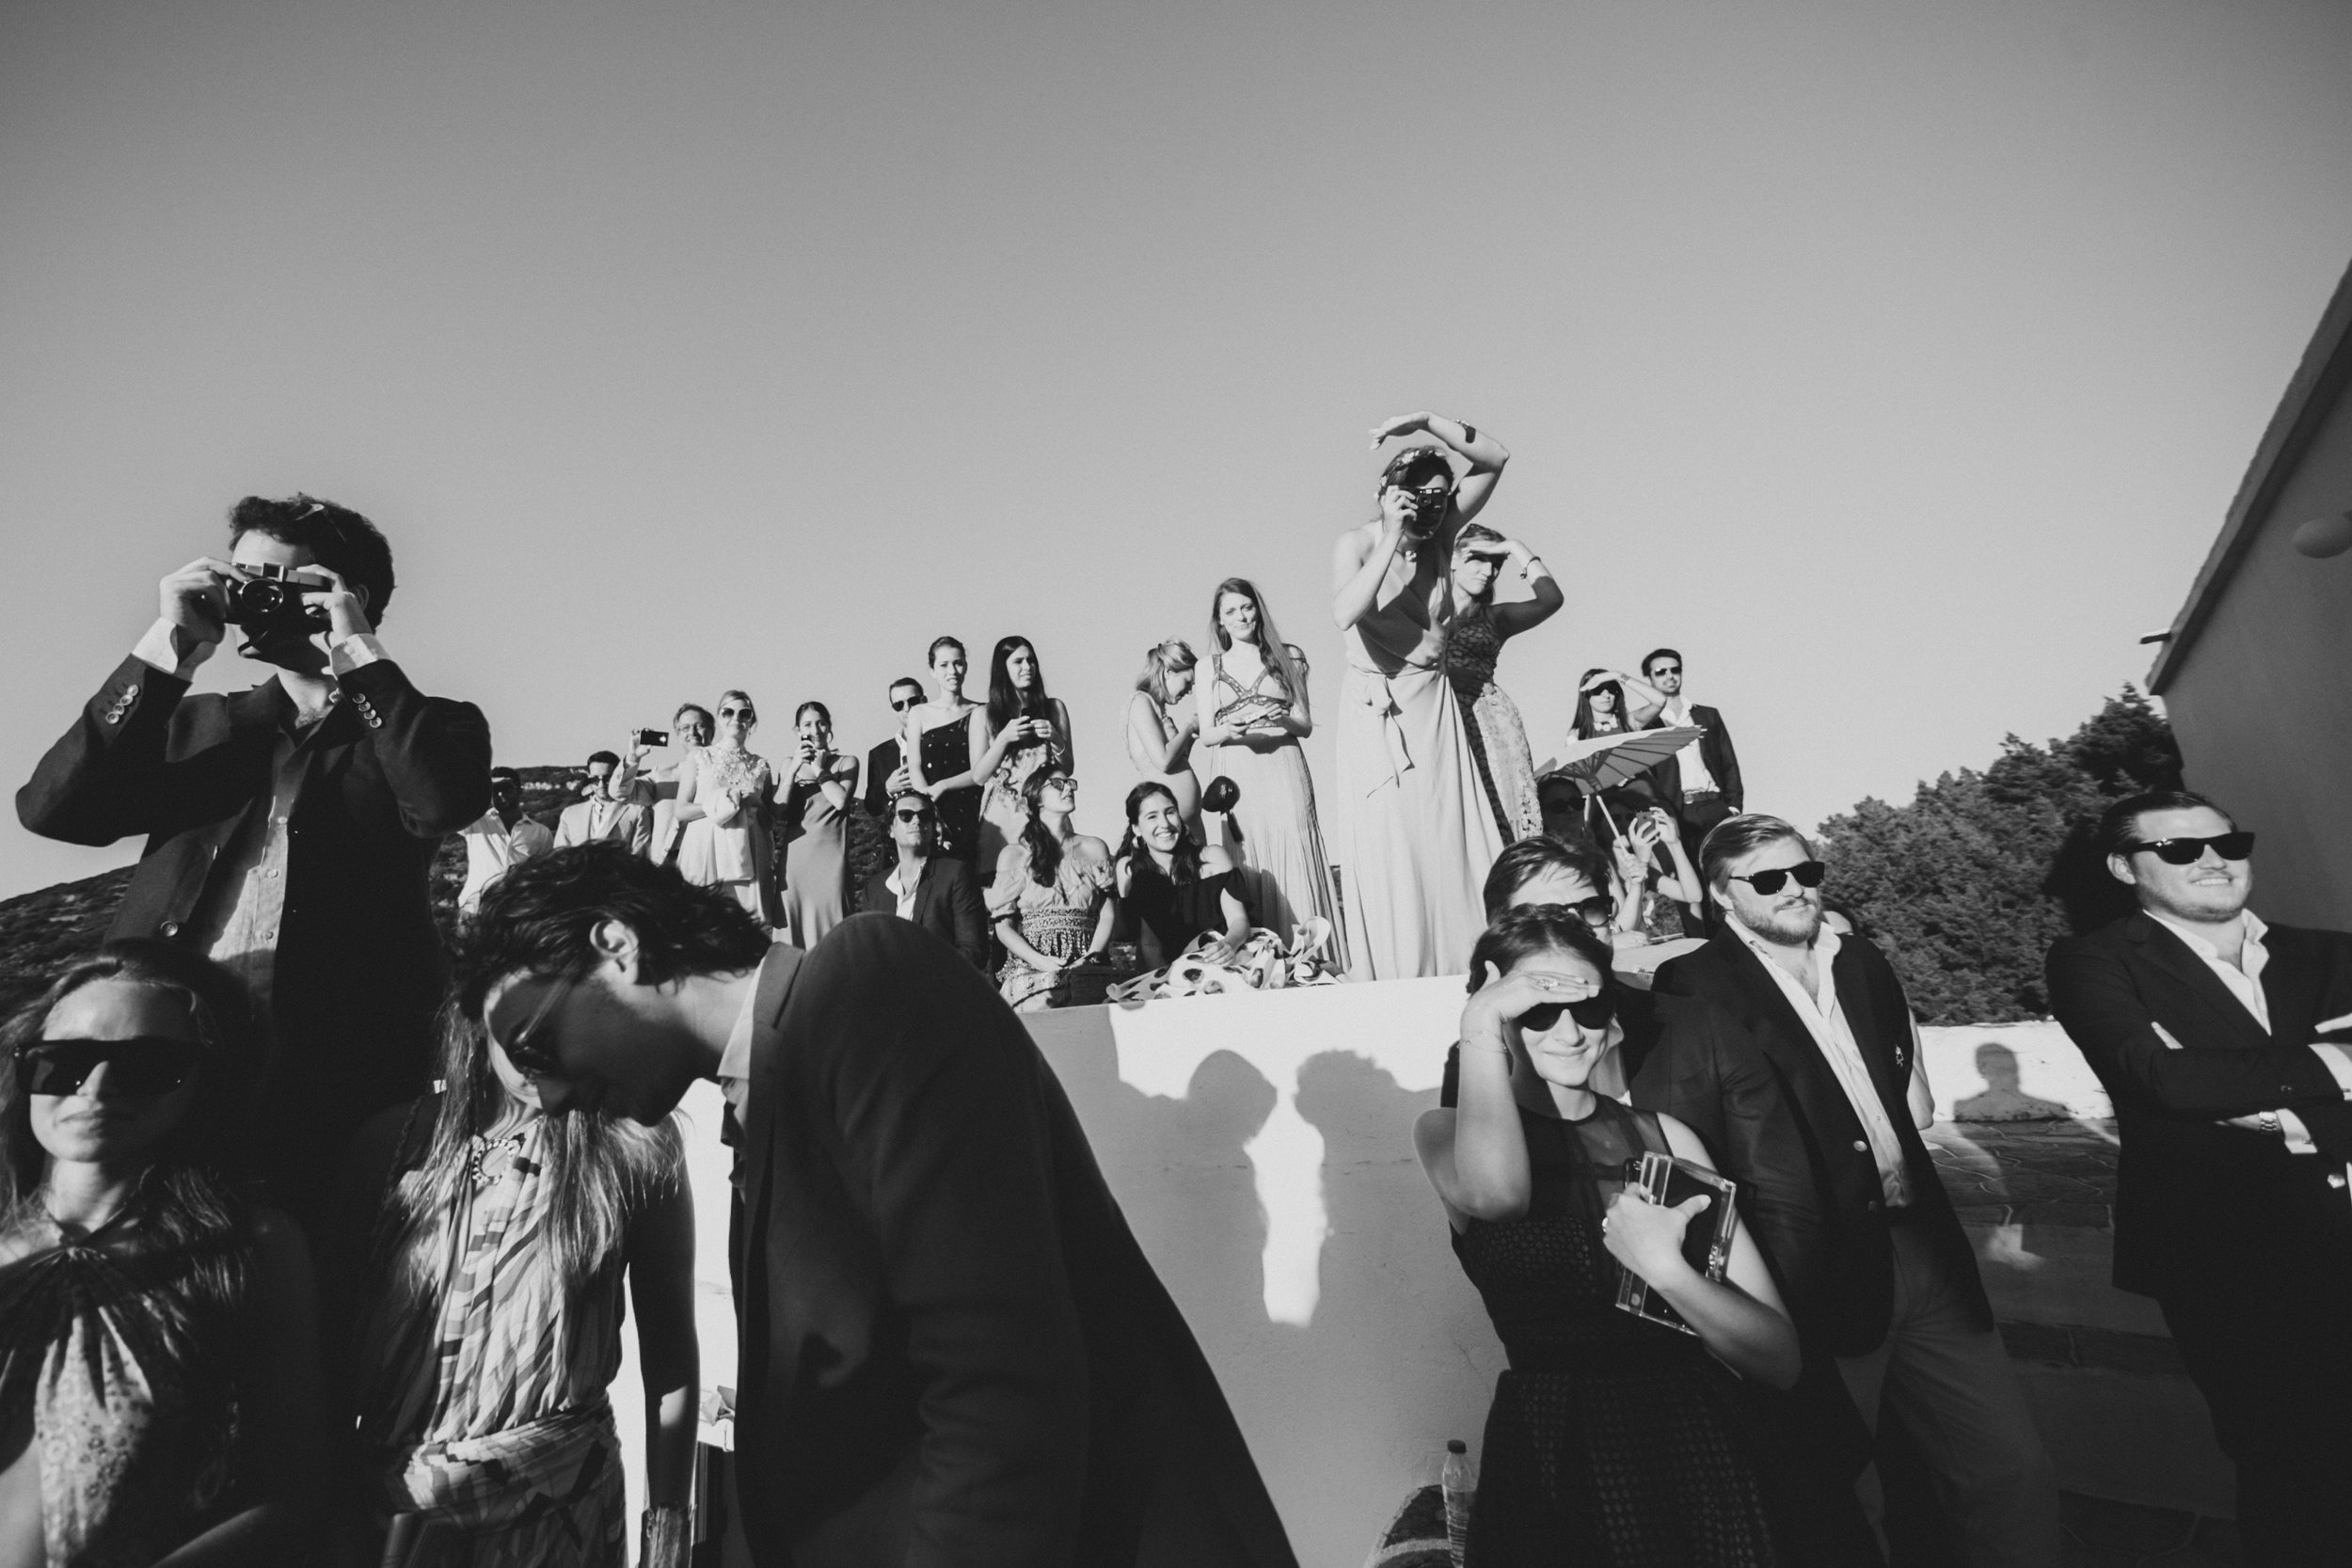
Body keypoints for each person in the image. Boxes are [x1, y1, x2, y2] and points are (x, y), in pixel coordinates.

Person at [448, 847, 1298, 1566]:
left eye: (536, 1045)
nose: (548, 1098)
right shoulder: (768, 1092)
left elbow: (1001, 1402)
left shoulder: (866, 979)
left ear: (617, 944)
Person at [16, 494, 492, 1223]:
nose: (250, 599)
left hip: (337, 1077)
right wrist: (165, 649)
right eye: (238, 578)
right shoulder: (199, 724)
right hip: (160, 1066)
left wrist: (358, 653)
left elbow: (442, 801)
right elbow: (53, 810)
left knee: (308, 1272)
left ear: (348, 596)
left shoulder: (425, 727)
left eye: (275, 581)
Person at [1634, 814, 2058, 1566]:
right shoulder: (1695, 984)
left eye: (1806, 871)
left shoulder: (1861, 961)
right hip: (1813, 1268)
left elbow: (1902, 1093)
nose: (1795, 888)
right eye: (1770, 878)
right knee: (1844, 1493)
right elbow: (1692, 1139)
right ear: (1723, 894)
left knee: (2008, 1468)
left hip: (1926, 1250)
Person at [1414, 906, 1800, 1563]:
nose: (1569, 1032)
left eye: (1588, 1007)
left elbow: (1779, 1358)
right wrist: (1478, 1024)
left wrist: (1668, 1272)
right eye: (1537, 1009)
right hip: (1549, 1458)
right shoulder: (1444, 1133)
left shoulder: (1665, 1138)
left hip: (1689, 1455)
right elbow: (1499, 1198)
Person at [2046, 790, 2352, 1563]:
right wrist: (2336, 1061)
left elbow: (2201, 1079)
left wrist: (2241, 1086)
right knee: (2294, 1465)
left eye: (2228, 843)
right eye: (2179, 848)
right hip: (2227, 1255)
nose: (2213, 860)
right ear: (2125, 867)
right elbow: (2166, 1080)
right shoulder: (2094, 961)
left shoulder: (2335, 952)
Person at [336, 986, 698, 1566]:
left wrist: (668, 1550)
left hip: (562, 1532)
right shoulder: (391, 1147)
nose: (546, 1054)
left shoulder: (629, 1144)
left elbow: (670, 1357)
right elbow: (326, 1374)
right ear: (478, 1006)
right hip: (392, 1538)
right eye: (528, 1032)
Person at [0, 940, 322, 1564]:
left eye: (148, 1064)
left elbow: (295, 1487)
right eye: (63, 1061)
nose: (96, 1088)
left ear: (205, 1081)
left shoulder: (249, 1248)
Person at [1331, 418, 1513, 980]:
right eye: (1418, 492)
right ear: (1389, 492)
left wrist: (1424, 419)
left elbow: (1496, 458)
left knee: (1447, 833)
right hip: (1379, 711)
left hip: (1433, 707)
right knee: (1396, 840)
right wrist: (1391, 533)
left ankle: (1467, 961)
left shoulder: (1442, 535)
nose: (1430, 503)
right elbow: (1345, 612)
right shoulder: (1357, 543)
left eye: (1440, 493)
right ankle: (1402, 969)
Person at [1198, 579, 1343, 958]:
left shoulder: (1289, 656)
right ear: (1219, 620)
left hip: (1283, 762)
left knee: (1295, 849)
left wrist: (1283, 719)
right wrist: (1229, 729)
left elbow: (1305, 725)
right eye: (1230, 611)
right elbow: (1207, 733)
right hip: (1237, 771)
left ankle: (1311, 957)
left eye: (1246, 607)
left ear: (1257, 610)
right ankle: (1260, 959)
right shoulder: (1207, 667)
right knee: (1247, 857)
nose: (1240, 616)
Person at [1443, 523, 1561, 842]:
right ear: (1453, 559)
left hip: (1488, 721)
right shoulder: (1423, 611)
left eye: (1496, 563)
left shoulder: (1495, 618)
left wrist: (1514, 547)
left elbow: (1551, 600)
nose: (1489, 571)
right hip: (1438, 717)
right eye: (1478, 559)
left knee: (1500, 812)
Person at [988, 768, 1116, 1012]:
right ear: (1036, 798)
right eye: (1057, 783)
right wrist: (1042, 962)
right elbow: (1004, 927)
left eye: (1070, 783)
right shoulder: (1014, 855)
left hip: (1088, 963)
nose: (1068, 788)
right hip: (1032, 969)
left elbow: (1107, 913)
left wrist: (1091, 957)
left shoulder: (1095, 848)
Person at [674, 689, 781, 927]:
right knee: (702, 923)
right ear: (719, 718)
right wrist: (721, 804)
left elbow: (769, 823)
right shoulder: (700, 756)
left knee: (745, 926)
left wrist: (755, 802)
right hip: (705, 847)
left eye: (744, 713)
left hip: (748, 850)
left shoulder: (761, 765)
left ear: (751, 720)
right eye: (728, 712)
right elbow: (681, 810)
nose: (736, 718)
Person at [968, 637, 1073, 879]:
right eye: (1018, 662)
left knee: (1053, 881)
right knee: (1004, 886)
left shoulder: (1054, 708)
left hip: (1046, 813)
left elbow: (1068, 768)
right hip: (1002, 819)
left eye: (1031, 660)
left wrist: (1055, 738)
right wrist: (1004, 738)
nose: (1027, 667)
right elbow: (979, 776)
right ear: (1002, 668)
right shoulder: (984, 714)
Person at [1116, 781, 1251, 968]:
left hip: (1230, 955)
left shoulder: (1212, 857)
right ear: (1136, 828)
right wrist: (1166, 979)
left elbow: (1239, 920)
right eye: (1152, 817)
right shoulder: (1131, 870)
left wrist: (1229, 946)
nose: (1165, 824)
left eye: (1170, 812)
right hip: (1178, 969)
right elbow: (1150, 945)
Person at [859, 789, 990, 970]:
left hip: (940, 983)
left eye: (924, 815)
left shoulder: (955, 874)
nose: (916, 821)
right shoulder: (875, 888)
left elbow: (973, 950)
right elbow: (868, 953)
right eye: (906, 815)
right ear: (890, 829)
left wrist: (925, 977)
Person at [1638, 648, 1744, 866]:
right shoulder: (1645, 725)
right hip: (1677, 813)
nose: (1669, 676)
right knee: (1690, 878)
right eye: (1660, 672)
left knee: (1729, 871)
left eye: (1674, 670)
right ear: (1649, 678)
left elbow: (1729, 764)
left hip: (1716, 807)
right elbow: (1642, 781)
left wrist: (1733, 808)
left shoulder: (1708, 715)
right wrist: (1650, 824)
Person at [778, 701, 859, 949]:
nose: (815, 730)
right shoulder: (788, 764)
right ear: (797, 730)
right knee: (792, 937)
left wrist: (817, 767)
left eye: (821, 723)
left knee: (833, 933)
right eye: (807, 725)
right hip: (795, 862)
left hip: (831, 862)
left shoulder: (847, 762)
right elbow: (777, 811)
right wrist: (793, 770)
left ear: (829, 726)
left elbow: (840, 800)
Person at [898, 636, 984, 863]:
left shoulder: (981, 711)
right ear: (932, 671)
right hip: (932, 811)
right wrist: (926, 803)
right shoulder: (919, 713)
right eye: (944, 665)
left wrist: (943, 786)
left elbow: (982, 770)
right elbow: (914, 765)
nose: (952, 671)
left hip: (973, 808)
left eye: (958, 663)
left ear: (965, 666)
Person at [1125, 640, 1202, 838]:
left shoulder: (1160, 711)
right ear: (1169, 672)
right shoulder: (1141, 702)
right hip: (1168, 827)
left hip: (1189, 825)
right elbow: (1163, 760)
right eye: (1188, 682)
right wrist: (1188, 727)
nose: (1189, 691)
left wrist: (1192, 736)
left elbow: (1178, 761)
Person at [626, 704, 714, 867]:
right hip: (668, 865)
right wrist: (633, 757)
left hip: (709, 860)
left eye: (699, 726)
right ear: (678, 735)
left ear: (712, 731)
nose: (692, 732)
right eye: (685, 728)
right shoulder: (662, 774)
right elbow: (623, 793)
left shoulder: (726, 773)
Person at [459, 768, 557, 914]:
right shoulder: (475, 823)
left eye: (506, 788)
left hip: (518, 910)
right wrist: (481, 788)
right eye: (494, 790)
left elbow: (546, 875)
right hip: (476, 909)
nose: (500, 795)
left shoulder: (541, 832)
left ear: (519, 791)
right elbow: (449, 807)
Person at [1610, 804, 1705, 943]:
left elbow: (1693, 895)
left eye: (1630, 818)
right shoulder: (1600, 872)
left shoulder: (1647, 870)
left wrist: (1674, 844)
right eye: (1615, 819)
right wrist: (1641, 860)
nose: (1624, 823)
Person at [555, 749, 653, 856]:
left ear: (617, 777)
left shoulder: (637, 811)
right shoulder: (570, 814)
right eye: (595, 779)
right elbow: (560, 856)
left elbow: (639, 856)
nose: (601, 785)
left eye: (607, 779)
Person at [861, 676, 928, 818]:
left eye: (913, 701)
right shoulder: (879, 754)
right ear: (893, 710)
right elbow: (872, 807)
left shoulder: (944, 741)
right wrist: (887, 789)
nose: (907, 708)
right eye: (899, 705)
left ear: (924, 701)